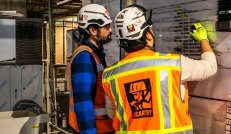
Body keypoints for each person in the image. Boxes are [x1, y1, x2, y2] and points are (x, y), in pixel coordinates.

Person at [102, 4, 217, 133]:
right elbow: (210, 67)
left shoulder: (110, 75)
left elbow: (113, 113)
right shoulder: (173, 64)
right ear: (148, 36)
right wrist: (203, 39)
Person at [67, 4, 114, 134]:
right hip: (95, 130)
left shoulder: (95, 54)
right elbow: (83, 104)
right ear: (93, 30)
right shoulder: (84, 58)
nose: (110, 30)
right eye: (106, 27)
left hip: (103, 128)